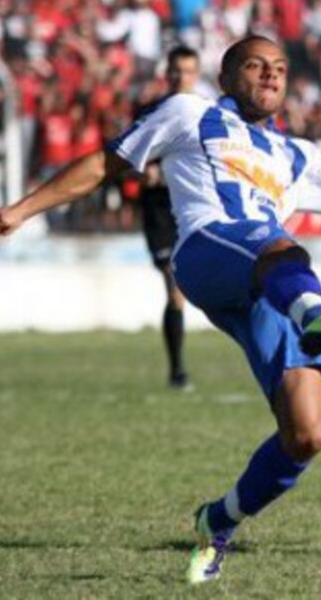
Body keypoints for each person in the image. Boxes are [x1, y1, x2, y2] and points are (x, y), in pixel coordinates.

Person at [0, 34, 321, 584]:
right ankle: (316, 317)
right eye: (255, 65)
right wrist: (21, 210)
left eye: (279, 68)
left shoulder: (299, 156)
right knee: (276, 242)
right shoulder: (188, 113)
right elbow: (104, 164)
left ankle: (217, 522)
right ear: (226, 78)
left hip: (271, 286)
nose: (270, 75)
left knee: (307, 433)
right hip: (207, 254)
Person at [135, 46, 208, 390]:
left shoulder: (208, 114)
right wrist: (144, 173)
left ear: (197, 74)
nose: (182, 77)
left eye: (188, 71)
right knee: (175, 287)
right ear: (167, 73)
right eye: (176, 71)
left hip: (195, 207)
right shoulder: (151, 112)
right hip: (161, 212)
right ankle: (177, 371)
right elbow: (127, 159)